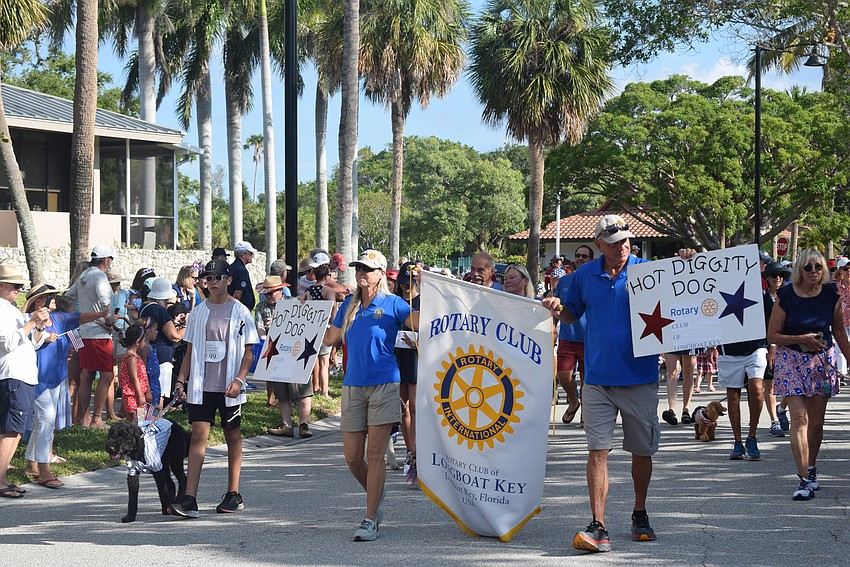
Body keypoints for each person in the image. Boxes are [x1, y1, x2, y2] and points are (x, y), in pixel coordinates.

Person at [543, 214, 696, 552]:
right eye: (614, 244)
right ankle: (598, 524)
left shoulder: (648, 270)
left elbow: (686, 295)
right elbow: (573, 314)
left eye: (626, 242)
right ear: (600, 245)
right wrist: (558, 308)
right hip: (597, 379)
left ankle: (639, 512)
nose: (623, 248)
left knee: (641, 451)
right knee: (597, 452)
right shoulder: (584, 274)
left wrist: (686, 262)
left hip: (639, 377)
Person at [323, 249, 419, 541]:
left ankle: (369, 517)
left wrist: (429, 294)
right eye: (358, 268)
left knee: (375, 454)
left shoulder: (394, 304)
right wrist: (302, 323)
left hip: (384, 384)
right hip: (352, 385)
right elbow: (331, 338)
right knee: (352, 457)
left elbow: (419, 322)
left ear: (380, 273)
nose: (361, 273)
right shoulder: (349, 306)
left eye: (367, 268)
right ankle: (376, 497)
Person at [169, 259, 258, 518]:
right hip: (201, 384)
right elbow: (190, 350)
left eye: (218, 277)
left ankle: (233, 492)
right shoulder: (198, 312)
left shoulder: (241, 311)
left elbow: (249, 351)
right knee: (198, 436)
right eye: (208, 277)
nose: (213, 281)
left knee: (232, 434)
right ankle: (189, 497)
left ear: (229, 280)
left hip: (229, 385)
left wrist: (240, 380)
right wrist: (180, 381)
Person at [767, 248, 850, 501]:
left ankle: (811, 468)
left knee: (816, 422)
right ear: (800, 270)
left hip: (820, 362)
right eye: (808, 267)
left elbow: (838, 330)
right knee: (799, 419)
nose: (814, 272)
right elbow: (772, 335)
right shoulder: (786, 295)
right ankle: (803, 479)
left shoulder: (830, 293)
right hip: (790, 359)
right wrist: (800, 338)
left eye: (818, 267)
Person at [22, 284, 105, 488]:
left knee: (43, 423)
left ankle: (31, 465)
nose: (54, 300)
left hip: (56, 377)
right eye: (50, 297)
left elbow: (79, 317)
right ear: (38, 301)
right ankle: (43, 470)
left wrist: (101, 313)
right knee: (45, 421)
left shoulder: (59, 318)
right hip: (37, 378)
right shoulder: (28, 320)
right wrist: (42, 336)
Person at [716, 262, 776, 460]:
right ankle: (738, 442)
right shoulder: (716, 285)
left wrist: (772, 346)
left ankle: (752, 436)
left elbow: (771, 314)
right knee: (733, 395)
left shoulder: (758, 286)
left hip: (756, 345)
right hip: (729, 346)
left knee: (757, 388)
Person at [1, 264, 50, 498]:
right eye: (15, 285)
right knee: (11, 430)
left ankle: (2, 477)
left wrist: (38, 326)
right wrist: (30, 323)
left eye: (21, 286)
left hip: (22, 376)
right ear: (1, 285)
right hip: (13, 376)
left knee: (15, 431)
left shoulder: (11, 310)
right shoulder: (2, 310)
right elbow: (7, 343)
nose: (19, 290)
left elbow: (32, 343)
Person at [64, 244, 117, 429]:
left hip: (84, 332)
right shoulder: (100, 277)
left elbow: (67, 296)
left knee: (87, 374)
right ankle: (96, 419)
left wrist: (77, 316)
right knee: (107, 375)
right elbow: (105, 306)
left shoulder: (83, 276)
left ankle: (84, 418)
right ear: (106, 260)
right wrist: (110, 322)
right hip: (99, 334)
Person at [257, 276, 313, 438]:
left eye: (271, 293)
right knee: (281, 392)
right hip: (275, 352)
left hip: (296, 351)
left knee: (301, 390)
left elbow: (307, 319)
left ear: (280, 290)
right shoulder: (261, 307)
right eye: (266, 294)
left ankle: (304, 424)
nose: (268, 296)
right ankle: (287, 425)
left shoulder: (294, 302)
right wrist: (263, 341)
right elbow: (260, 327)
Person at [554, 245, 594, 425]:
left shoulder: (595, 280)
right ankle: (573, 400)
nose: (580, 258)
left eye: (585, 256)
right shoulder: (564, 281)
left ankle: (586, 413)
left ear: (591, 260)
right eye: (578, 255)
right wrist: (552, 327)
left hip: (589, 337)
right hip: (567, 336)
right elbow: (556, 307)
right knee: (563, 374)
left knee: (587, 380)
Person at [139, 278, 186, 406]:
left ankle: (146, 420)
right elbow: (174, 336)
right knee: (160, 394)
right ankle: (155, 420)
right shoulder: (159, 310)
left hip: (149, 352)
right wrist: (187, 326)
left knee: (149, 391)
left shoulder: (144, 307)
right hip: (162, 356)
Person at [394, 262, 420, 481]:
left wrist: (418, 342)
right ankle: (410, 449)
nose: (406, 286)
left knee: (415, 404)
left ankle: (418, 451)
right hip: (396, 355)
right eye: (403, 281)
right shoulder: (394, 302)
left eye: (410, 281)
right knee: (402, 407)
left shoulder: (424, 302)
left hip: (416, 355)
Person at [762, 261, 792, 437]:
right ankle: (774, 420)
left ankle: (781, 408)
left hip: (789, 344)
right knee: (770, 384)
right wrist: (770, 346)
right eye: (774, 275)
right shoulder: (760, 299)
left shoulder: (789, 296)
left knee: (791, 384)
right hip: (767, 345)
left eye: (781, 275)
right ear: (767, 278)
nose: (778, 278)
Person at [306, 265, 338, 398]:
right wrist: (334, 323)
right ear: (327, 277)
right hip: (324, 327)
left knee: (313, 360)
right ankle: (324, 391)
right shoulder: (328, 291)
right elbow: (333, 308)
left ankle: (314, 387)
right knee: (324, 362)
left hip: (311, 327)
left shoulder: (309, 290)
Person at [117, 324, 151, 419]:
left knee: (141, 420)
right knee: (131, 420)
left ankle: (139, 432)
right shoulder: (131, 357)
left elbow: (143, 375)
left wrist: (147, 391)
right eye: (144, 340)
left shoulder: (136, 356)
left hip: (140, 392)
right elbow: (134, 377)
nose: (145, 343)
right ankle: (131, 433)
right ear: (137, 342)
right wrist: (140, 395)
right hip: (132, 394)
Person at [661, 349, 696, 425]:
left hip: (689, 338)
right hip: (670, 338)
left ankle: (685, 410)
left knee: (688, 370)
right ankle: (671, 410)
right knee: (672, 371)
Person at [228, 241, 257, 312]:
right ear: (243, 254)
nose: (252, 256)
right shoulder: (242, 270)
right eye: (250, 253)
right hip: (240, 309)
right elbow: (238, 294)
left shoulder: (231, 267)